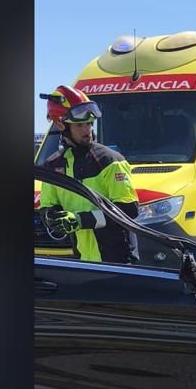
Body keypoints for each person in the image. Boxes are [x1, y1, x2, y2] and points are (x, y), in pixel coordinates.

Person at [37, 84, 139, 263]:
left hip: (119, 260)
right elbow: (47, 206)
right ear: (60, 124)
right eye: (80, 125)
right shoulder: (52, 166)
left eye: (89, 124)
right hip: (82, 259)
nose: (88, 130)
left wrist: (79, 220)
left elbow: (128, 211)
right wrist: (52, 218)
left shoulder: (111, 160)